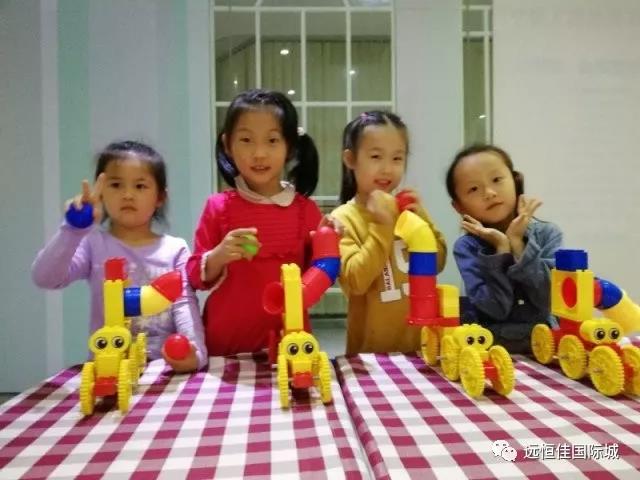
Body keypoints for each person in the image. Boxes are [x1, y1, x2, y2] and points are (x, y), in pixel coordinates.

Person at [32, 140, 206, 372]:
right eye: (116, 185)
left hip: (164, 367)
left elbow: (184, 304)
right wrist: (73, 229)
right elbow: (45, 278)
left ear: (160, 197)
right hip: (109, 366)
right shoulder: (92, 243)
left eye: (140, 186)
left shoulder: (176, 249)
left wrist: (195, 352)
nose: (127, 195)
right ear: (101, 192)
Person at [186, 89, 335, 356]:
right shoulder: (217, 207)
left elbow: (322, 275)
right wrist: (219, 255)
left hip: (292, 346)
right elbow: (195, 276)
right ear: (227, 145)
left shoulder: (306, 211)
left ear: (290, 147)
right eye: (246, 140)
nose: (259, 153)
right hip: (225, 346)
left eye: (272, 140)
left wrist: (330, 243)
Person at [331, 111, 447, 354]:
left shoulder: (408, 210)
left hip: (421, 347)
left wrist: (423, 221)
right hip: (370, 355)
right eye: (376, 157)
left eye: (397, 158)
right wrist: (381, 226)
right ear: (350, 159)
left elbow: (437, 263)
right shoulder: (342, 219)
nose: (387, 169)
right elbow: (355, 282)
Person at [445, 144, 563, 353]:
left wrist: (518, 244)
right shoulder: (466, 248)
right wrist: (502, 249)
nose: (489, 193)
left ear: (516, 181)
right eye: (473, 189)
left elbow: (551, 299)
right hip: (492, 350)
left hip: (548, 348)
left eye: (497, 180)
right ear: (459, 206)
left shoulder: (547, 234)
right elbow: (495, 309)